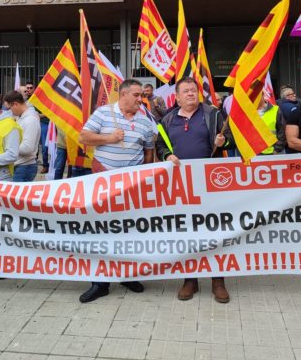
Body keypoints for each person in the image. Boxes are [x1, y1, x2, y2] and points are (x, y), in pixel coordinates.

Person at [78, 78, 155, 303]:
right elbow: (84, 136)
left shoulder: (145, 120)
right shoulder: (103, 114)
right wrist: (109, 138)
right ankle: (100, 283)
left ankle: (127, 276)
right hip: (103, 183)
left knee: (129, 232)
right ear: (122, 95)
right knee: (103, 231)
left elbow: (149, 151)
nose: (141, 99)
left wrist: (146, 176)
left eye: (142, 95)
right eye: (136, 95)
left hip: (132, 186)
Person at [155, 77, 232, 303]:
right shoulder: (168, 119)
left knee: (214, 231)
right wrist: (167, 155)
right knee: (187, 232)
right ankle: (190, 280)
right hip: (182, 186)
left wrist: (223, 141)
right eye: (186, 91)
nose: (191, 94)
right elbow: (160, 146)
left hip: (210, 184)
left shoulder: (213, 114)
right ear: (177, 97)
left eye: (194, 90)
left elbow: (230, 139)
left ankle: (218, 280)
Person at [4, 90, 41, 182]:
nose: (10, 111)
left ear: (15, 104)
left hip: (24, 167)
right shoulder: (22, 117)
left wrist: (7, 147)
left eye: (9, 108)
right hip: (21, 165)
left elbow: (28, 148)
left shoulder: (30, 120)